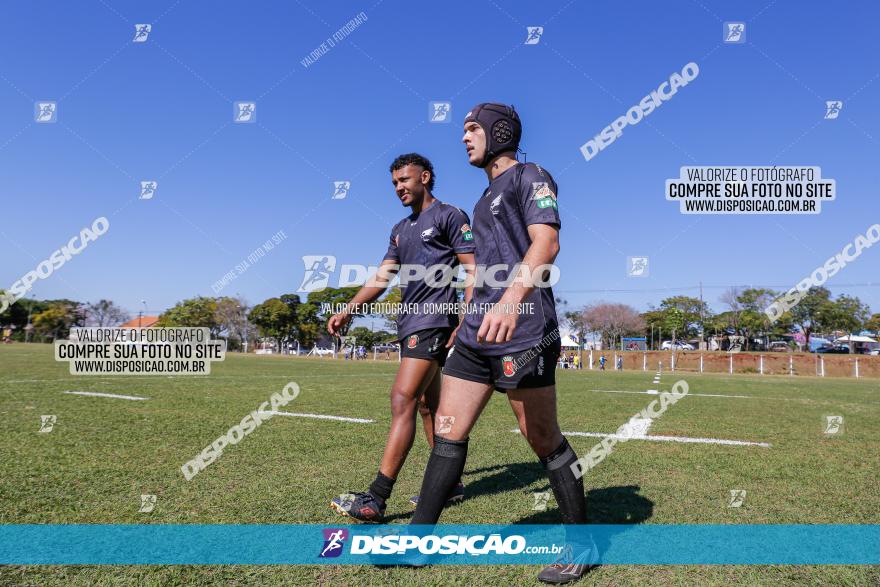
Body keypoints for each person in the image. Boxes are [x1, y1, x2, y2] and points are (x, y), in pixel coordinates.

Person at [408, 103, 596, 583]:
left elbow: (546, 244)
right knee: (448, 430)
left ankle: (584, 545)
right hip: (476, 332)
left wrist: (512, 301)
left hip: (524, 328)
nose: (464, 138)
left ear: (499, 132)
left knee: (543, 439)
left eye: (472, 129)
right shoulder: (480, 198)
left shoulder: (530, 175)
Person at [327, 153, 475, 522]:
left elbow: (473, 268)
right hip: (410, 323)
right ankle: (452, 483)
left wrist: (467, 318)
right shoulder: (400, 229)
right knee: (427, 405)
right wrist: (349, 308)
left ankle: (376, 498)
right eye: (394, 183)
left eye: (405, 180)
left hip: (434, 322)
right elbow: (382, 276)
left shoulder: (450, 216)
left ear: (425, 177)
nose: (399, 188)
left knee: (402, 399)